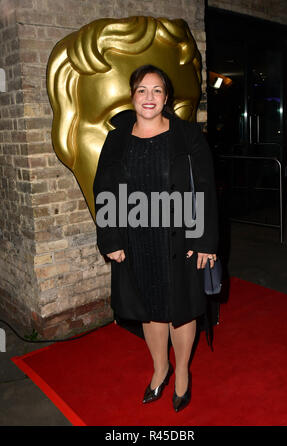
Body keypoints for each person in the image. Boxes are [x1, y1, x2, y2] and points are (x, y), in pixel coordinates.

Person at [93, 64, 219, 412]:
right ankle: (160, 368)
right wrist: (111, 238)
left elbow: (205, 188)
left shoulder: (187, 135)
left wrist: (205, 240)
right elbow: (104, 188)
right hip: (137, 240)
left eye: (157, 90)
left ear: (167, 97)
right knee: (150, 309)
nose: (149, 97)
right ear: (132, 96)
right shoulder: (117, 137)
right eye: (142, 90)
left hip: (180, 240)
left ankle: (182, 374)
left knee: (181, 308)